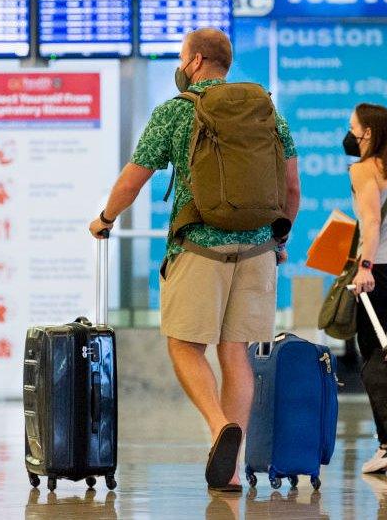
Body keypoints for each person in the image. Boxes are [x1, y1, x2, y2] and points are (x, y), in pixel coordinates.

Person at [88, 28, 301, 492]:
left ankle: (217, 427)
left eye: (183, 58)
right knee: (236, 353)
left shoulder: (175, 112)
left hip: (199, 246)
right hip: (259, 249)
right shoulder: (269, 113)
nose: (180, 66)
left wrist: (105, 218)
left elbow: (133, 179)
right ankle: (230, 465)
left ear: (198, 61)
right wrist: (280, 238)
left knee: (185, 346)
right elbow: (291, 189)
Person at [344, 104, 387, 475]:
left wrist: (364, 266)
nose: (349, 134)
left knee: (374, 360)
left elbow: (371, 221)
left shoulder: (362, 170)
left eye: (353, 127)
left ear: (367, 133)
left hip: (376, 274)